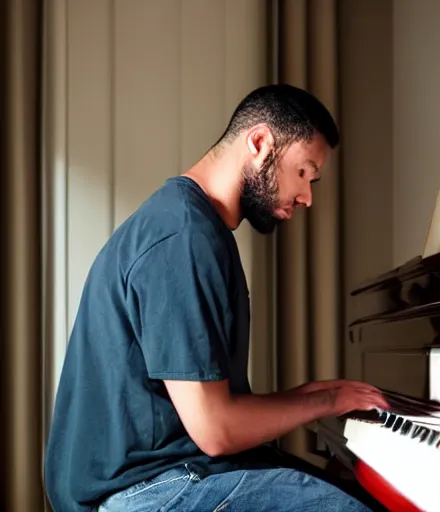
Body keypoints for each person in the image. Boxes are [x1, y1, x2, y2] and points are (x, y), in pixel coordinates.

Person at [44, 84, 389, 512]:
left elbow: (213, 414)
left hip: (163, 474)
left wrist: (306, 396)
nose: (307, 197)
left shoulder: (190, 223)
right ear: (260, 143)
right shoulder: (183, 237)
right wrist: (326, 401)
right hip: (142, 492)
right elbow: (215, 431)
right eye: (304, 172)